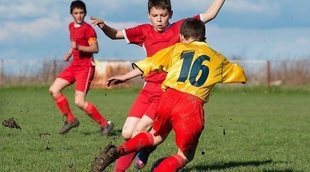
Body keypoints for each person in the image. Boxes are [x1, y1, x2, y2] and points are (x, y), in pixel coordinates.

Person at [91, 18, 247, 172]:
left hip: (167, 99)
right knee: (185, 155)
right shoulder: (218, 58)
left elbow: (150, 63)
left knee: (154, 136)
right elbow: (238, 73)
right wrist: (242, 78)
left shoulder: (176, 49)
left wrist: (124, 77)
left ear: (181, 37)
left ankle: (119, 150)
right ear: (204, 38)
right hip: (191, 106)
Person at [49, 0, 114, 136]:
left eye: (81, 13)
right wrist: (70, 53)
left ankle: (105, 124)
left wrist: (78, 47)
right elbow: (74, 44)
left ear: (85, 13)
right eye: (76, 13)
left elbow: (95, 48)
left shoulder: (89, 29)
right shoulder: (71, 26)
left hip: (85, 67)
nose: (79, 15)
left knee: (79, 101)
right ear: (71, 14)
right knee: (54, 90)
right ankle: (70, 119)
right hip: (74, 65)